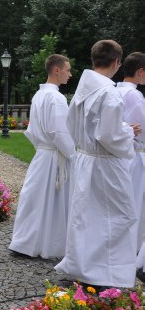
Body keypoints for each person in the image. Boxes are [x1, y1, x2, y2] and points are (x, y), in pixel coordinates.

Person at [55, 40, 140, 288]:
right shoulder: (109, 92)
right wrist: (128, 132)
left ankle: (84, 267)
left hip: (85, 159)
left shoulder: (83, 88)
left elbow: (72, 126)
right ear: (116, 62)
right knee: (119, 216)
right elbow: (109, 136)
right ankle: (106, 274)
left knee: (86, 217)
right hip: (105, 164)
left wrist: (116, 131)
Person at [9, 54, 75, 258]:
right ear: (56, 70)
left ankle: (27, 242)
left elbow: (33, 130)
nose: (70, 74)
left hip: (44, 154)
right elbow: (58, 132)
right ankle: (48, 244)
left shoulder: (39, 95)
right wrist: (74, 154)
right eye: (68, 70)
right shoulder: (56, 98)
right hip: (54, 155)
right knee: (52, 202)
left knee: (36, 199)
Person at [116, 53, 145, 278]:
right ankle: (132, 251)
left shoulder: (116, 90)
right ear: (140, 71)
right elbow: (142, 129)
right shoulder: (134, 96)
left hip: (120, 156)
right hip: (135, 155)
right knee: (136, 204)